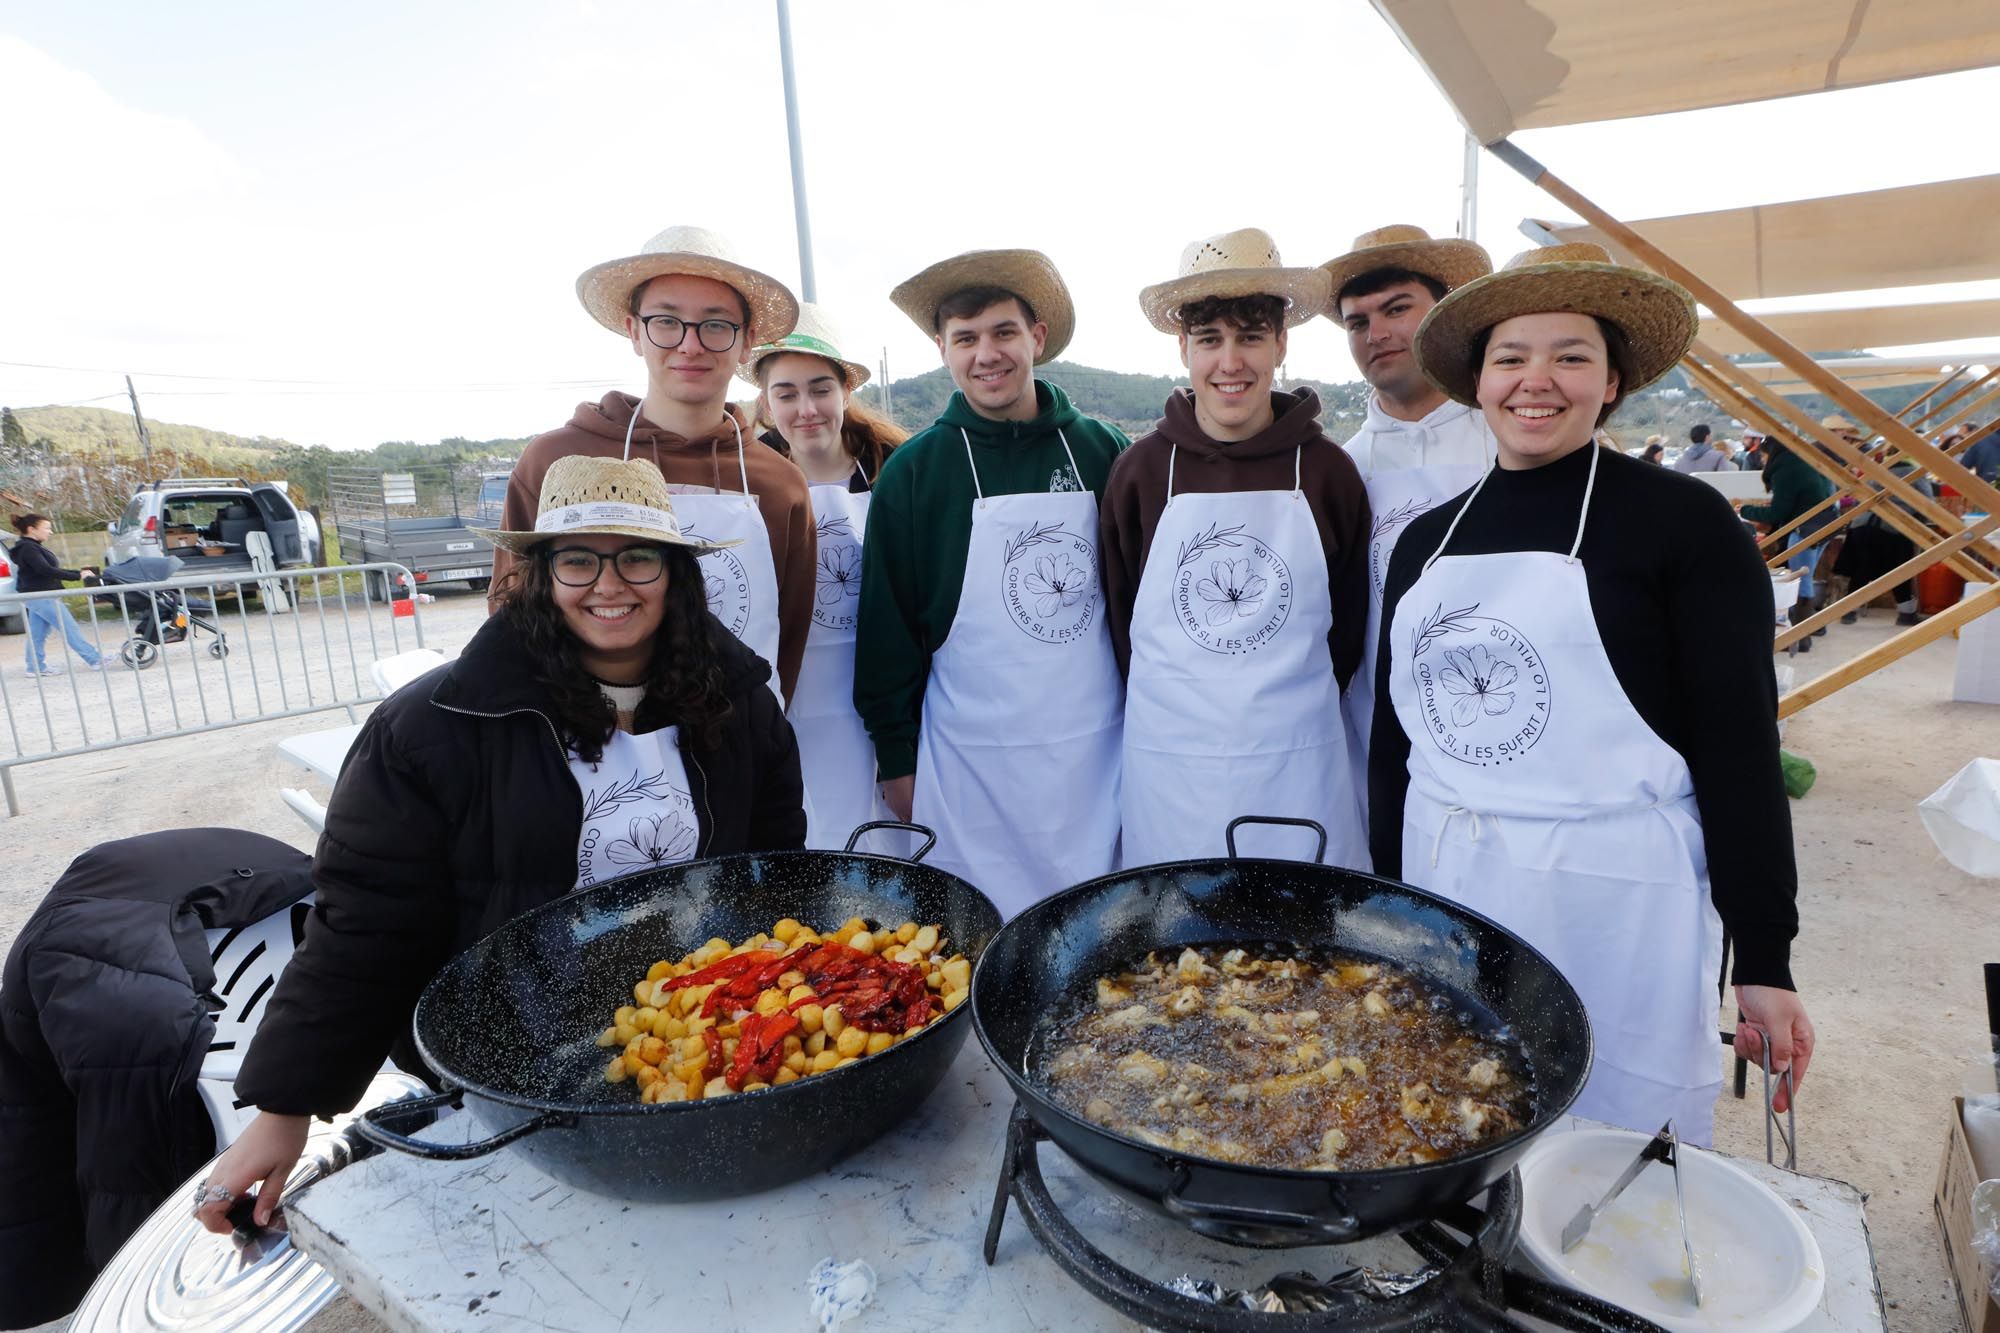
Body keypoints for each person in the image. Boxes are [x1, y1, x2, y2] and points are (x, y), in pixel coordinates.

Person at [195, 456, 806, 1233]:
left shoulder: (740, 704)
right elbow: (368, 922)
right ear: (541, 573)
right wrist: (285, 1107)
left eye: (639, 557)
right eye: (578, 559)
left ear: (675, 573)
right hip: (507, 1062)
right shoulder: (431, 728)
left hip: (706, 1040)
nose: (609, 585)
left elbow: (776, 873)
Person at [1371, 242, 1812, 1144]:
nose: (1539, 380)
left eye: (1571, 355)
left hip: (1614, 898)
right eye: (1510, 357)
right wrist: (1390, 899)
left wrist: (1765, 956)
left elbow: (1738, 749)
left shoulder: (1686, 526)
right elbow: (1393, 743)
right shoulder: (1424, 542)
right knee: (1446, 1125)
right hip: (1453, 881)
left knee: (1614, 1149)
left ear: (1612, 383)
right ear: (1479, 383)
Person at [856, 249, 1128, 915]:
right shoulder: (916, 471)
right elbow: (887, 633)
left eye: (1004, 332)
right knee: (982, 947)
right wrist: (897, 761)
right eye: (966, 338)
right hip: (971, 764)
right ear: (943, 349)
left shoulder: (1102, 448)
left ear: (1036, 337)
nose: (987, 354)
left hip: (1098, 758)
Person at [1102, 229, 1369, 866]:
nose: (1230, 362)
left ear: (1280, 343)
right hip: (1171, 764)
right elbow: (1119, 622)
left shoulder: (1328, 471)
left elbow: (1349, 626)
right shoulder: (1140, 471)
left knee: (1307, 942)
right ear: (1182, 348)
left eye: (1250, 337)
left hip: (1296, 758)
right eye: (1209, 340)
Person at [1, 829, 314, 1326]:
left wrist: (124, 1294)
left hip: (138, 916)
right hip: (263, 868)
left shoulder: (111, 1018)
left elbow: (126, 1186)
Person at [498, 226, 815, 703]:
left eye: (715, 324)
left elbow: (789, 634)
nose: (690, 345)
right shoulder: (555, 462)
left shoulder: (781, 484)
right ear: (634, 331)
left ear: (746, 342)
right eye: (666, 321)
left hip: (737, 742)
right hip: (586, 745)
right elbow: (512, 612)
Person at [1318, 225, 1494, 837]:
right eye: (1356, 322)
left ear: (1444, 311)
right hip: (1379, 734)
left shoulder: (1509, 441)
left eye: (1397, 310)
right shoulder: (1341, 467)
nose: (1377, 334)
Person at [742, 304, 908, 850]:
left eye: (820, 389)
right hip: (794, 707)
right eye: (786, 394)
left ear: (845, 392)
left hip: (889, 704)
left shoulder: (897, 470)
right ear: (766, 403)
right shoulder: (752, 486)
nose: (806, 409)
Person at [1740, 435, 1835, 650]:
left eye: (1763, 456)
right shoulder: (1802, 462)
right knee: (1805, 578)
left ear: (1771, 453)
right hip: (1823, 526)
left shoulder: (1785, 470)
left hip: (1804, 529)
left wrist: (1745, 510)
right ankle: (1808, 631)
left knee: (1800, 580)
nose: (1762, 461)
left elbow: (1778, 512)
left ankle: (1801, 637)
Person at [9, 514, 105, 676]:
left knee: (37, 633)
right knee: (69, 627)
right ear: (31, 529)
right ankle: (95, 659)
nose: (50, 532)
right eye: (46, 528)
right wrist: (77, 575)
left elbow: (47, 569)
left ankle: (35, 667)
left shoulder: (30, 547)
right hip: (41, 595)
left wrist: (77, 573)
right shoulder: (28, 548)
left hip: (37, 595)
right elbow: (45, 570)